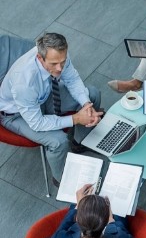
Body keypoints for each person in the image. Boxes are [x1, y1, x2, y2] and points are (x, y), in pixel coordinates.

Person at [0, 33, 103, 185]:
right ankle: (61, 179)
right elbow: (37, 123)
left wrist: (86, 104)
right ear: (40, 58)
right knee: (59, 141)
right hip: (16, 114)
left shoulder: (58, 55)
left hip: (43, 96)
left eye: (62, 61)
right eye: (54, 64)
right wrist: (76, 119)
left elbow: (72, 79)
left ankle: (80, 142)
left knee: (92, 94)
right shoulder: (24, 83)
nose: (59, 68)